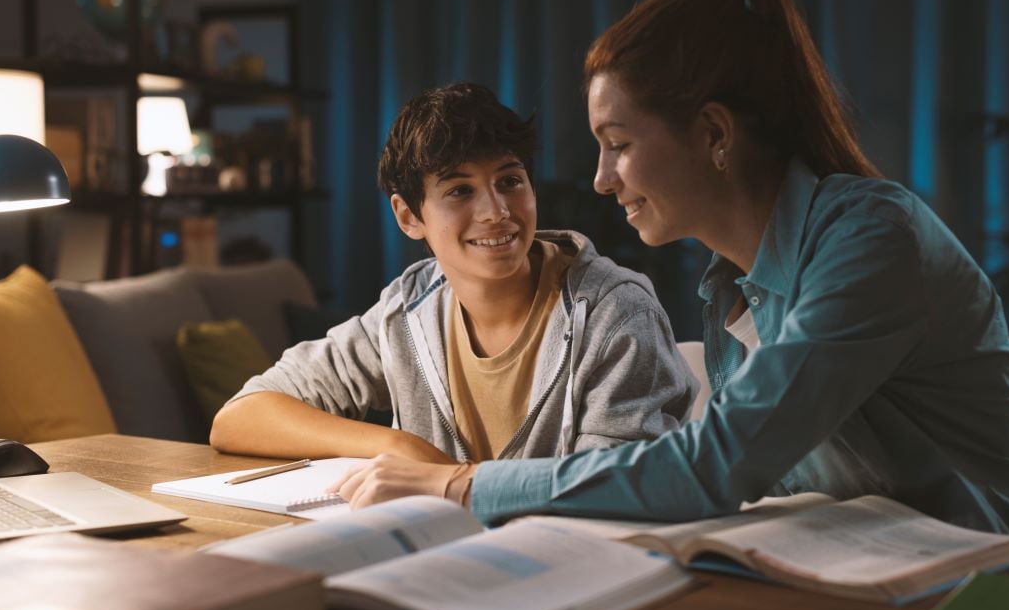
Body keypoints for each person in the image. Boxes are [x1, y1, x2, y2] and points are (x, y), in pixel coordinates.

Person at [326, 0, 1009, 545]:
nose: (602, 180)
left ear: (712, 134)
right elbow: (755, 476)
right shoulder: (729, 287)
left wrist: (458, 482)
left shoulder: (874, 242)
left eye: (619, 146)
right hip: (892, 569)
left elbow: (718, 464)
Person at [210, 82, 695, 472]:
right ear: (408, 217)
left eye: (510, 181)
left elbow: (615, 487)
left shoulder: (615, 312)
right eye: (460, 191)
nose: (496, 212)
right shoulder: (408, 310)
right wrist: (402, 448)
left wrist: (450, 484)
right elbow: (240, 417)